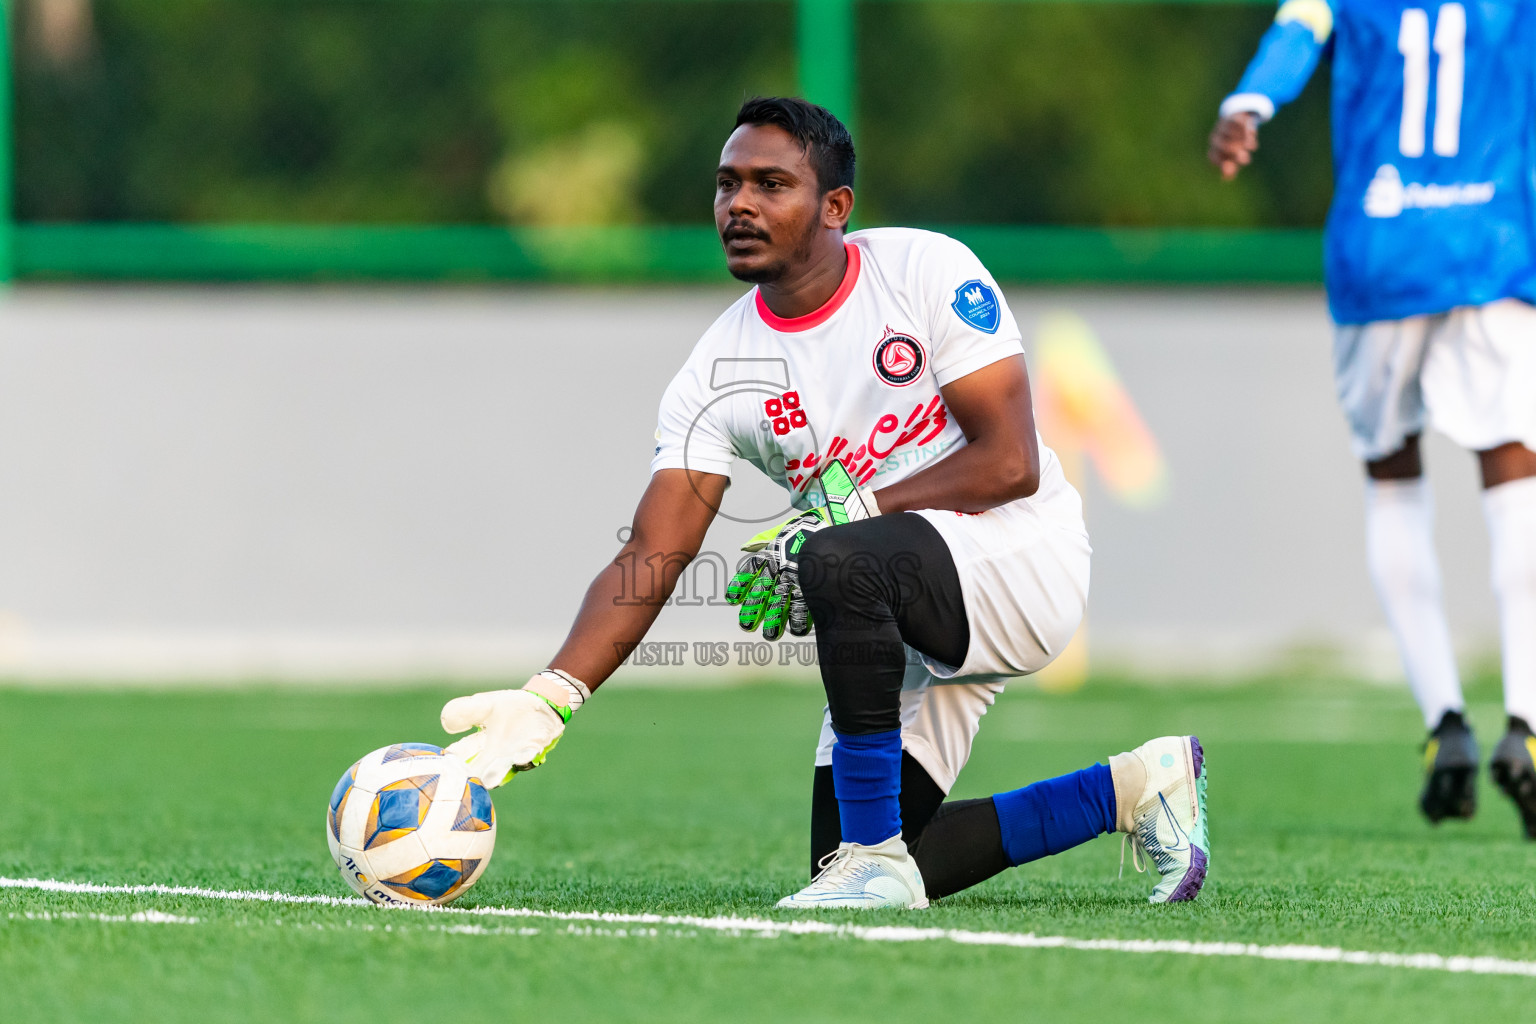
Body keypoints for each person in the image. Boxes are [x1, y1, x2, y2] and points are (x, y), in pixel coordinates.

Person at [439, 97, 1208, 909]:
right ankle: (1131, 790)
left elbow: (1010, 462)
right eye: (727, 184)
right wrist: (552, 694)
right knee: (846, 851)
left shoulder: (924, 271)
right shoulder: (714, 372)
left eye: (771, 184)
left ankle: (870, 857)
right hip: (892, 604)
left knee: (834, 558)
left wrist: (846, 514)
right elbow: (652, 554)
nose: (740, 204)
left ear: (835, 207)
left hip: (1022, 560)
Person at [1210, 0, 1536, 832]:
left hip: (1380, 250)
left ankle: (1445, 724)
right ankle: (1527, 725)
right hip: (1490, 248)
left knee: (1393, 478)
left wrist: (1246, 105)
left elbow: (1298, 31)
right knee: (1514, 472)